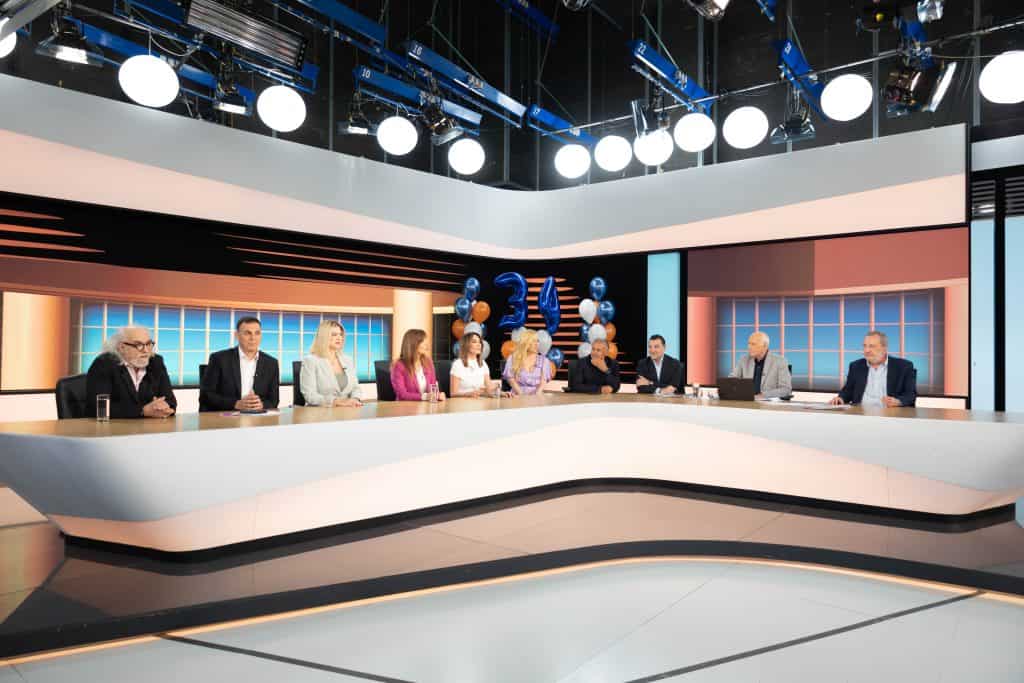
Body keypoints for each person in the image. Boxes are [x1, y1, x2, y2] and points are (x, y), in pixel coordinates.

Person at [85, 326, 176, 418]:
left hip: (149, 425)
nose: (145, 350)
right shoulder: (104, 364)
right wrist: (142, 411)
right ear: (122, 347)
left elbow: (171, 402)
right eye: (138, 345)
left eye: (148, 344)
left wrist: (164, 407)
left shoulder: (156, 362)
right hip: (112, 426)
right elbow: (100, 408)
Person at [199, 316, 279, 412]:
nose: (253, 338)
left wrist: (261, 405)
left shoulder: (271, 363)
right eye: (247, 333)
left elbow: (274, 400)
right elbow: (206, 395)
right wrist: (235, 404)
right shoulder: (219, 359)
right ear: (237, 335)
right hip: (226, 416)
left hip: (258, 417)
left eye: (257, 333)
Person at [831, 330, 917, 407]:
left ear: (884, 348)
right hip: (860, 414)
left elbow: (910, 395)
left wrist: (898, 402)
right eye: (865, 346)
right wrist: (841, 398)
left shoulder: (904, 367)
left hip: (890, 414)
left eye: (871, 346)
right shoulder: (856, 366)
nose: (867, 350)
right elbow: (848, 390)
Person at [300, 320, 364, 407]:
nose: (339, 338)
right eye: (334, 334)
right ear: (323, 337)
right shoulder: (311, 361)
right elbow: (310, 395)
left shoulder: (347, 360)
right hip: (321, 412)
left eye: (340, 334)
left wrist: (355, 399)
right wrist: (336, 402)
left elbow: (356, 388)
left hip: (347, 410)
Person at [729, 331, 792, 399]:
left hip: (768, 403)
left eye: (753, 344)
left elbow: (786, 389)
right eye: (749, 344)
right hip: (747, 400)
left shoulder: (780, 361)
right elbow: (731, 380)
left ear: (765, 346)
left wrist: (762, 395)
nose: (749, 347)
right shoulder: (743, 359)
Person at [391, 328, 446, 401]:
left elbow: (433, 387)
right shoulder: (399, 366)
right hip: (405, 406)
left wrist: (438, 395)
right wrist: (425, 397)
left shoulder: (428, 362)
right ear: (413, 344)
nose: (427, 345)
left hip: (426, 406)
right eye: (423, 342)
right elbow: (402, 395)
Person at [450, 332, 501, 397]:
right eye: (474, 342)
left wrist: (501, 393)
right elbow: (453, 394)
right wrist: (468, 394)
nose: (479, 345)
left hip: (479, 401)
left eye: (480, 342)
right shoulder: (457, 364)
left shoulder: (483, 363)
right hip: (462, 402)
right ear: (466, 345)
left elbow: (488, 389)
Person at [503, 329, 552, 396]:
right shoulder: (512, 358)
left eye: (537, 341)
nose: (536, 344)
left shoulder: (544, 361)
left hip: (536, 396)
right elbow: (511, 380)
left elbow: (543, 383)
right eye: (533, 341)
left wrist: (536, 396)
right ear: (525, 343)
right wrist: (522, 395)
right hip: (517, 395)